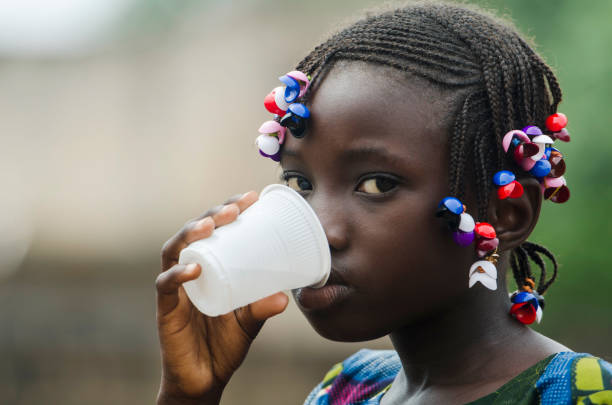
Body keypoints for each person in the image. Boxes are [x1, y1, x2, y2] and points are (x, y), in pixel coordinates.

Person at [155, 2, 612, 404]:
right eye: (300, 182)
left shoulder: (576, 392)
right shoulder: (348, 389)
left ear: (507, 214)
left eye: (377, 185)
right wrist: (189, 397)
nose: (322, 229)